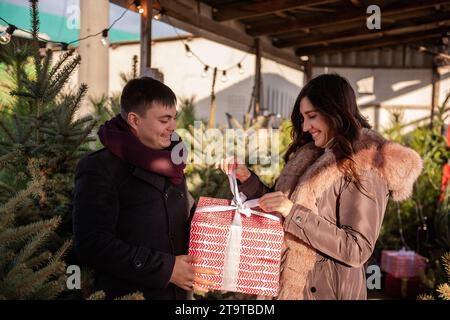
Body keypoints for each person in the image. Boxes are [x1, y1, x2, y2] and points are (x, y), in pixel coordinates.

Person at [219, 73, 423, 300]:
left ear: (334, 112)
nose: (305, 127)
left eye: (312, 116)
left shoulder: (364, 164)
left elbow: (356, 249)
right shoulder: (312, 156)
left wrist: (293, 213)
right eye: (303, 118)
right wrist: (247, 179)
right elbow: (282, 206)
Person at [72, 77, 214, 299]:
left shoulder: (172, 162)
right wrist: (166, 269)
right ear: (134, 120)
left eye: (174, 118)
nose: (173, 127)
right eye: (164, 120)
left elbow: (175, 222)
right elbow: (92, 244)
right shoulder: (99, 168)